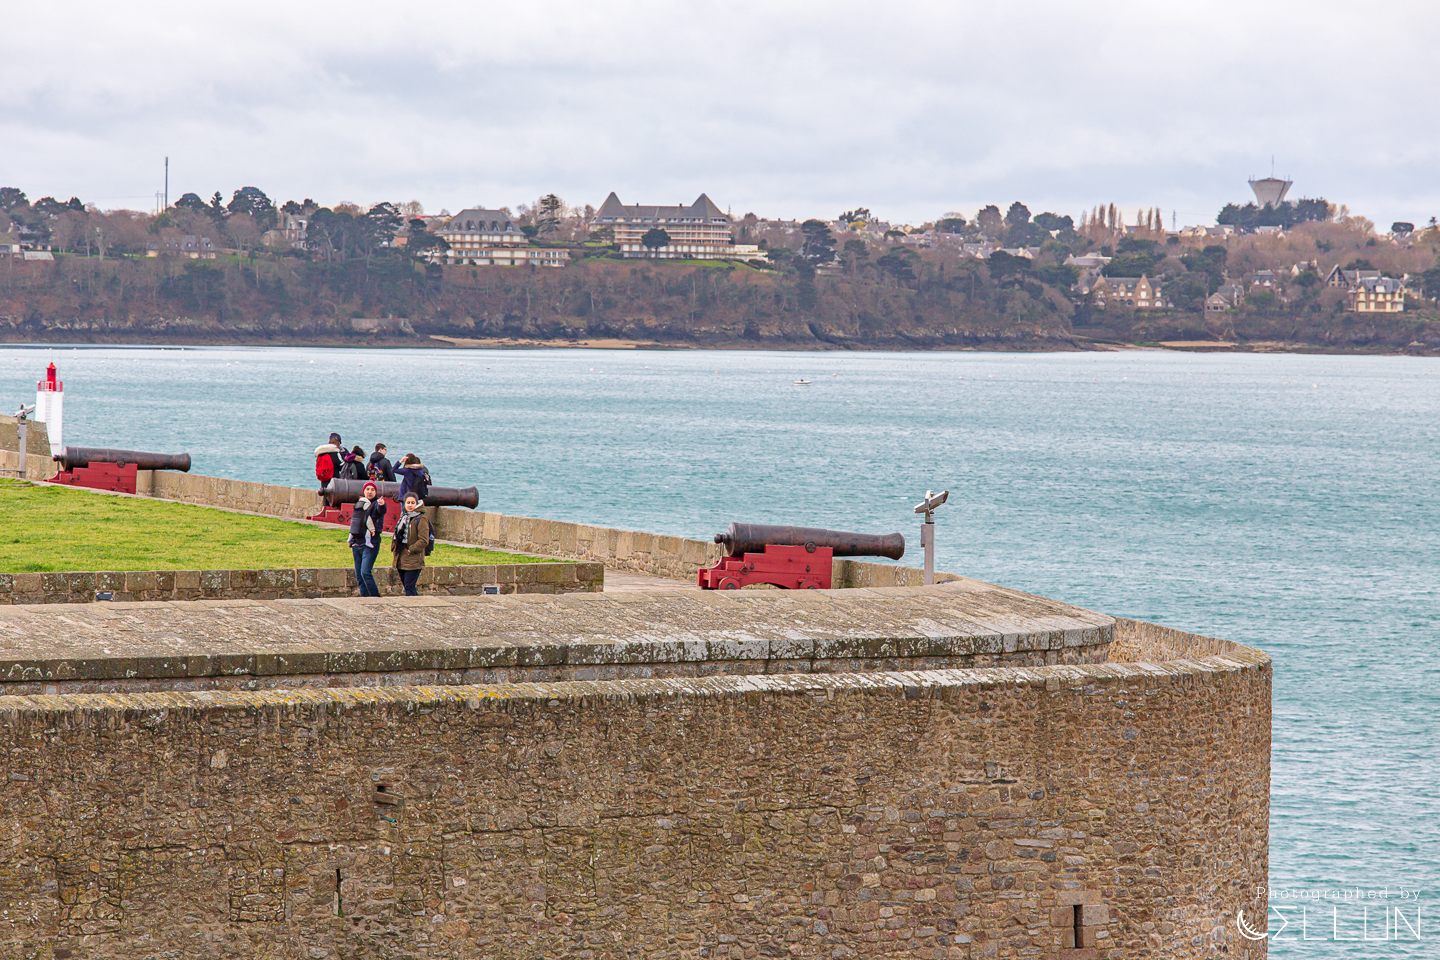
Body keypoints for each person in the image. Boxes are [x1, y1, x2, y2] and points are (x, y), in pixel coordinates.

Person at [347, 480, 387, 596]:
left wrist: (382, 504)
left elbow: (381, 510)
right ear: (364, 491)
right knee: (359, 575)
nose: (370, 492)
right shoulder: (360, 504)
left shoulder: (376, 504)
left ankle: (375, 597)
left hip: (371, 543)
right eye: (367, 489)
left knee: (365, 572)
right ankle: (365, 598)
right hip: (357, 543)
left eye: (372, 490)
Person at [391, 493, 430, 596]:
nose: (410, 505)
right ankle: (416, 603)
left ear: (417, 504)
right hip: (401, 557)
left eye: (413, 503)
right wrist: (394, 547)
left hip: (413, 558)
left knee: (409, 586)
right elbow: (397, 534)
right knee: (407, 587)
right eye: (408, 503)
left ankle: (413, 604)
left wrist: (411, 549)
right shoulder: (403, 516)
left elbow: (424, 540)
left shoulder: (421, 518)